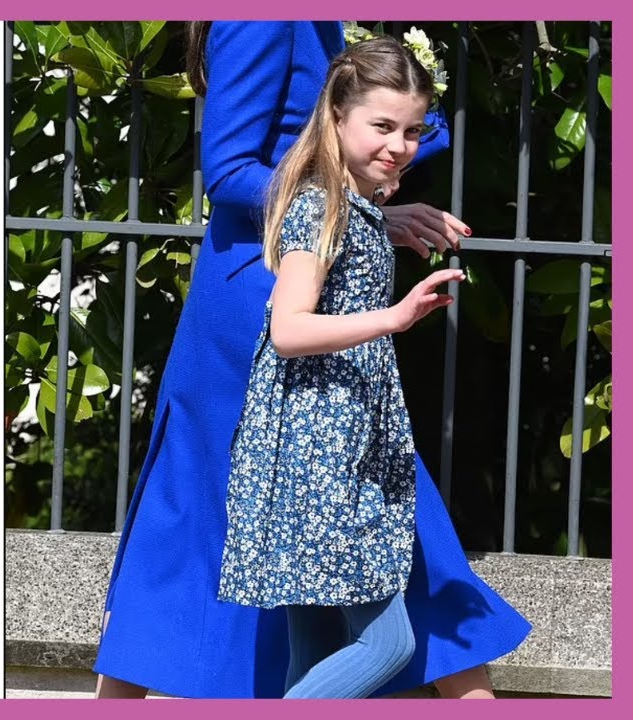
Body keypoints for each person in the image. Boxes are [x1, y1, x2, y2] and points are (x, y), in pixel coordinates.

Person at [93, 21, 531, 699]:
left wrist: (365, 212)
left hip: (294, 280)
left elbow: (326, 158)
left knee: (291, 518)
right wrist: (349, 215)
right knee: (322, 509)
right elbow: (234, 169)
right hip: (264, 297)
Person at [218, 36, 464, 698]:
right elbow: (291, 328)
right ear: (336, 117)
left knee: (315, 649)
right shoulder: (318, 205)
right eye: (382, 125)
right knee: (389, 642)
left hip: (337, 449)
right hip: (318, 459)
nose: (400, 144)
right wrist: (394, 317)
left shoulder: (352, 208)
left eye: (413, 129)